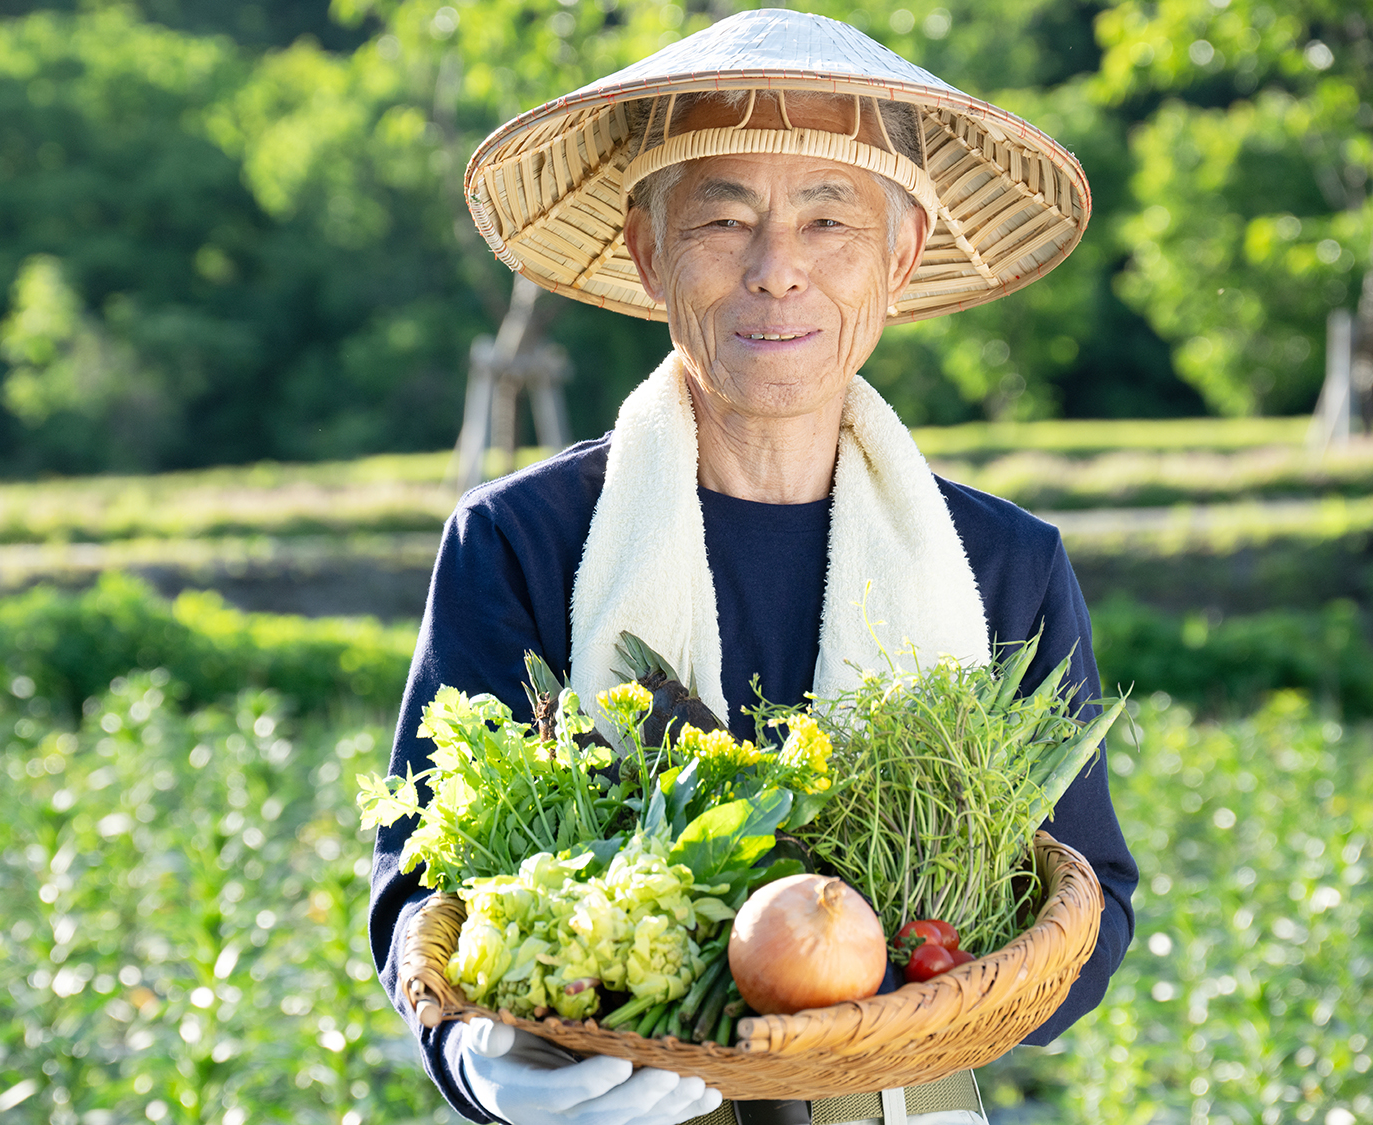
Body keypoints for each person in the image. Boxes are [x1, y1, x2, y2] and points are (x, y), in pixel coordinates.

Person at [370, 10, 1137, 1124]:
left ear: (900, 254)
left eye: (829, 220)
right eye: (722, 220)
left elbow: (1091, 894)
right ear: (647, 250)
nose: (777, 271)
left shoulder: (999, 563)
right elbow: (419, 883)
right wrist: (483, 1061)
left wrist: (921, 1010)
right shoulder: (522, 541)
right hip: (606, 1098)